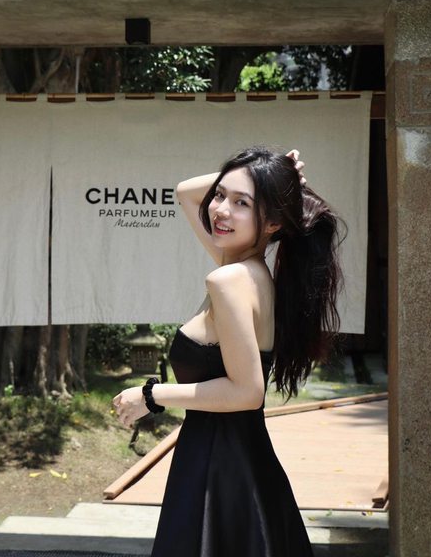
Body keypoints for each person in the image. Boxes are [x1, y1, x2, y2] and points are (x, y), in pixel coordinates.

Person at [113, 146, 344, 557]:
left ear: (273, 222)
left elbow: (247, 392)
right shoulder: (247, 271)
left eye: (241, 203)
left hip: (221, 469)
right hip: (235, 461)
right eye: (220, 195)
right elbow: (186, 192)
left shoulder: (231, 280)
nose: (219, 209)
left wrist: (150, 395)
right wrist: (273, 172)